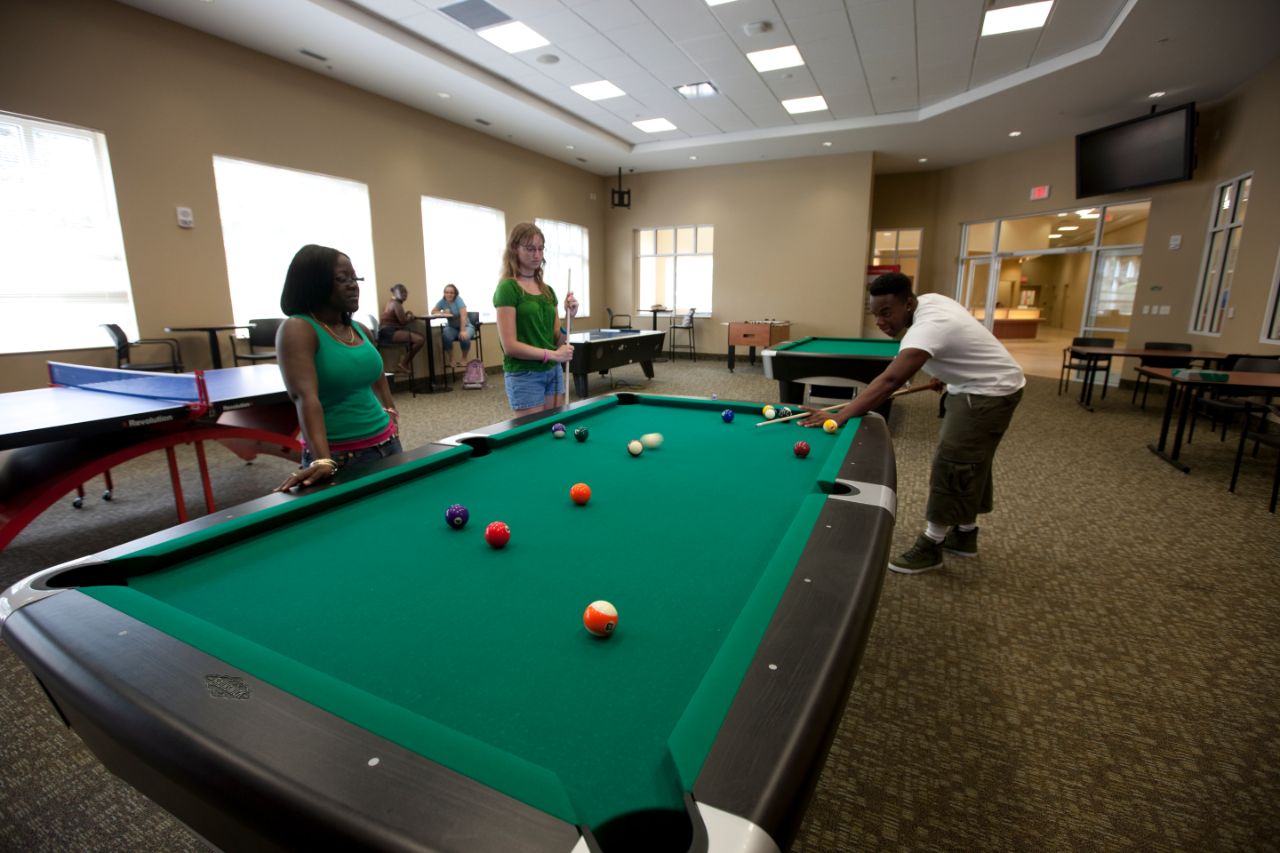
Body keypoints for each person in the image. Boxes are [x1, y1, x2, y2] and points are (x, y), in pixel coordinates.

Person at [801, 272, 1025, 574]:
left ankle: (932, 545)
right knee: (973, 461)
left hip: (987, 392)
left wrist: (840, 415)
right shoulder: (930, 301)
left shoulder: (927, 327)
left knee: (953, 462)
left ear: (908, 304)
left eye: (886, 312)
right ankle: (965, 533)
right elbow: (958, 342)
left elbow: (891, 380)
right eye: (875, 314)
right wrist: (946, 372)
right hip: (983, 384)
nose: (880, 321)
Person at [274, 244, 401, 491]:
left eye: (355, 278)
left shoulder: (359, 329)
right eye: (343, 279)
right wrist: (322, 458)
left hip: (387, 443)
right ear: (314, 283)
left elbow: (378, 377)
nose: (353, 285)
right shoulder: (298, 329)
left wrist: (391, 414)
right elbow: (304, 398)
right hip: (341, 455)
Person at [493, 222, 577, 413]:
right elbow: (510, 347)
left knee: (555, 429)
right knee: (534, 435)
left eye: (540, 249)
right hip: (524, 373)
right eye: (530, 249)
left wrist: (569, 317)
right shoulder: (508, 288)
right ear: (515, 249)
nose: (537, 255)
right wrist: (553, 355)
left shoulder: (548, 291)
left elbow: (556, 340)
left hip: (552, 371)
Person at [378, 283, 425, 375]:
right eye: (402, 292)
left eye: (405, 292)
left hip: (387, 332)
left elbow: (399, 319)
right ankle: (403, 363)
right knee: (420, 340)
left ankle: (403, 362)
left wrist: (407, 314)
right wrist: (411, 317)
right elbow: (403, 322)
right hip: (388, 333)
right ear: (395, 293)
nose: (404, 294)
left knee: (418, 338)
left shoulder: (392, 302)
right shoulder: (396, 304)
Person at [432, 283, 475, 367]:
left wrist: (462, 330)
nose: (449, 294)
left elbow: (463, 315)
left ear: (455, 294)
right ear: (444, 293)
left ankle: (464, 357)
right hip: (452, 327)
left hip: (466, 325)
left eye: (451, 292)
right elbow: (433, 311)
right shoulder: (442, 301)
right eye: (447, 292)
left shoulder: (458, 300)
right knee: (446, 335)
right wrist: (443, 312)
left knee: (464, 336)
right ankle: (451, 358)